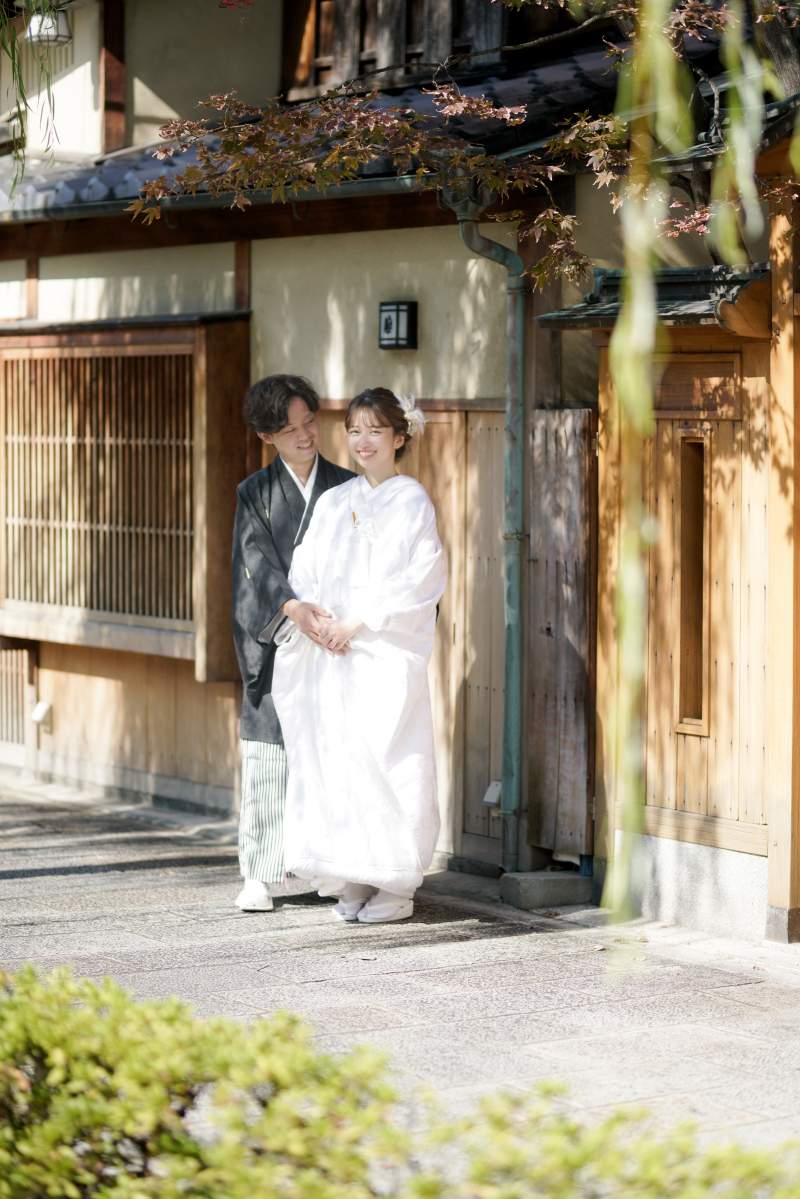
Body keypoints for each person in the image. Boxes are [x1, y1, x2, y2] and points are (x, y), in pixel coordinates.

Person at [272, 388, 447, 924]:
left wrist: (359, 621)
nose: (362, 441)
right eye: (353, 430)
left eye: (375, 430)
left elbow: (422, 578)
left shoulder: (411, 499)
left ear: (400, 437)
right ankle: (353, 874)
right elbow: (305, 565)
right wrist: (317, 616)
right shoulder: (335, 499)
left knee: (388, 757)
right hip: (333, 652)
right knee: (338, 763)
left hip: (381, 649)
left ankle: (396, 885)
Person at [231, 374, 355, 912]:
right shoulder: (255, 493)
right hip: (281, 633)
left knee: (337, 754)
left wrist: (337, 620)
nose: (306, 436)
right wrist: (292, 608)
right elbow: (256, 560)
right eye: (289, 429)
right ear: (267, 437)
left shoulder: (350, 485)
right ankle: (258, 872)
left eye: (311, 422)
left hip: (334, 636)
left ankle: (341, 866)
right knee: (269, 754)